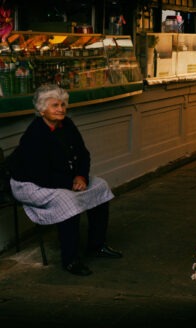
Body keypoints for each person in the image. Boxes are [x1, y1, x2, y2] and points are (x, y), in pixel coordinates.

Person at [8, 83, 122, 276]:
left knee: (100, 185)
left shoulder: (67, 124)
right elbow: (39, 174)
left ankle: (96, 245)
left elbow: (83, 154)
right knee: (67, 201)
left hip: (64, 177)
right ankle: (70, 260)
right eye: (55, 105)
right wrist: (71, 183)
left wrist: (81, 177)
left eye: (63, 105)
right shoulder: (34, 135)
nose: (61, 109)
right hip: (30, 184)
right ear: (42, 110)